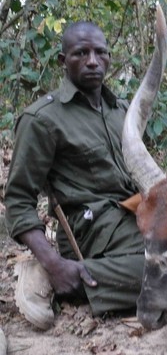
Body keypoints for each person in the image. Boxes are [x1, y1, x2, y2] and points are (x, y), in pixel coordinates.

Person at [4, 21, 144, 330]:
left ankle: (90, 275)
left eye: (100, 52)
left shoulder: (121, 110)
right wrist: (53, 263)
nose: (93, 61)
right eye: (81, 53)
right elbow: (17, 201)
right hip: (90, 232)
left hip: (134, 217)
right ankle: (56, 277)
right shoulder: (42, 119)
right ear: (62, 60)